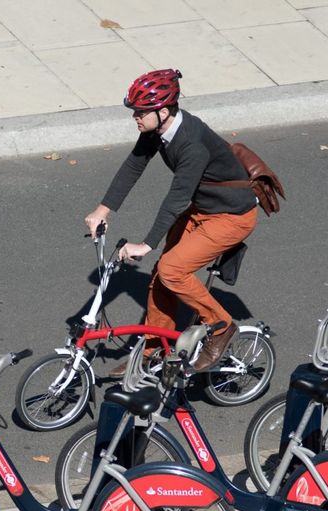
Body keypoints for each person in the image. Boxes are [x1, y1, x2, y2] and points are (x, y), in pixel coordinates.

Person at [85, 69, 257, 372]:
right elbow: (133, 166)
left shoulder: (191, 144)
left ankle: (221, 326)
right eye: (135, 111)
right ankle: (154, 351)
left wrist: (147, 244)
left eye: (140, 112)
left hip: (231, 216)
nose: (135, 117)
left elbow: (177, 198)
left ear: (163, 111)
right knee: (160, 278)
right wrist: (103, 210)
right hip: (203, 209)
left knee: (171, 269)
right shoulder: (159, 130)